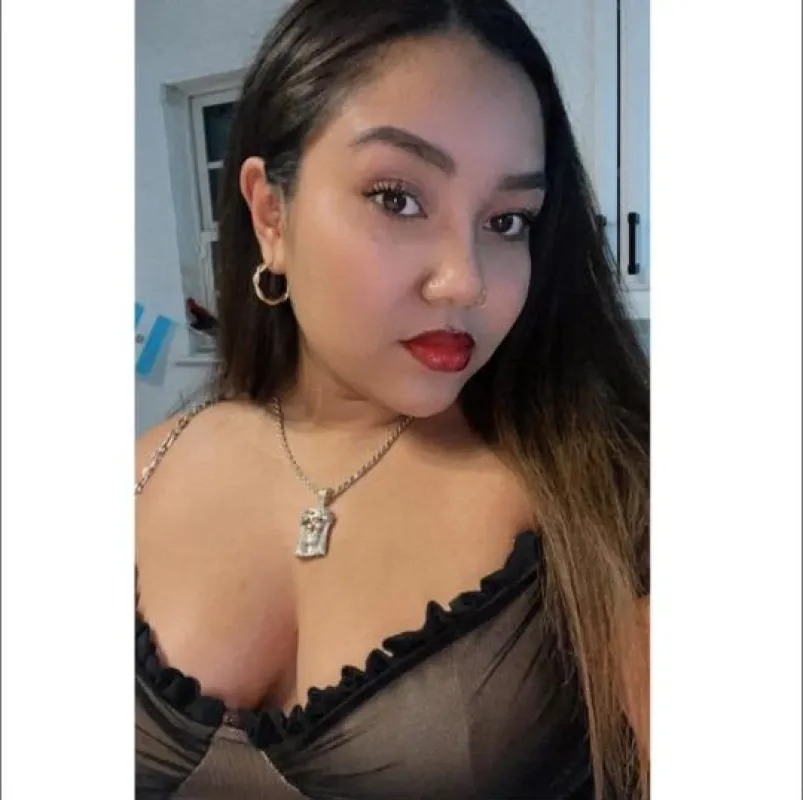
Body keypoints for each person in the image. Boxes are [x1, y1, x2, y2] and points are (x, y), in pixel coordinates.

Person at [135, 0, 650, 797]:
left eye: (508, 220)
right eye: (397, 198)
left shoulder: (609, 497)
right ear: (271, 213)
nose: (465, 281)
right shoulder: (145, 468)